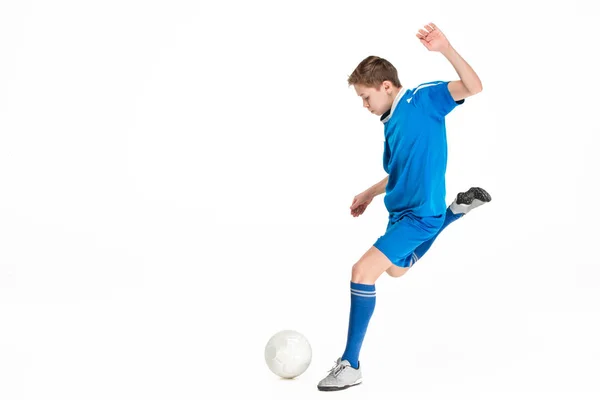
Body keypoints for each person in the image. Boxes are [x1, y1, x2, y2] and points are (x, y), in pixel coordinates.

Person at [316, 22, 492, 392]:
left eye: (366, 97)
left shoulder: (421, 99)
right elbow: (396, 173)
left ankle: (350, 364)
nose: (364, 106)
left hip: (419, 215)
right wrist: (369, 192)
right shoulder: (390, 123)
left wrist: (445, 48)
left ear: (386, 86)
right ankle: (452, 214)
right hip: (401, 214)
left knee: (362, 272)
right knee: (396, 271)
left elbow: (474, 87)